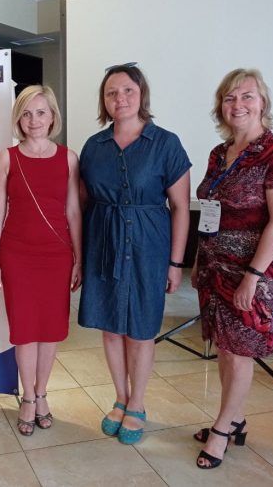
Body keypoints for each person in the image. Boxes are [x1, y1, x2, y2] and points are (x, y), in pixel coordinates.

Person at [192, 68, 273, 469]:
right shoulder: (219, 153)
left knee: (239, 352)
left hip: (251, 272)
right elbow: (210, 212)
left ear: (263, 103)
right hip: (214, 266)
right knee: (225, 349)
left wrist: (252, 278)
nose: (237, 104)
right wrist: (199, 261)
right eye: (229, 97)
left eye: (246, 96)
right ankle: (234, 420)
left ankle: (222, 430)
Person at [79, 63, 191, 445]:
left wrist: (175, 263)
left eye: (128, 90)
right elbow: (81, 204)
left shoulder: (166, 143)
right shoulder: (93, 147)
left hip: (149, 247)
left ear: (141, 94)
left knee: (141, 329)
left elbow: (180, 207)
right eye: (112, 92)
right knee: (111, 327)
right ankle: (120, 398)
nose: (120, 98)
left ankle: (138, 404)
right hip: (103, 244)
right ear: (104, 100)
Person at [0, 85, 82, 436]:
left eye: (41, 112)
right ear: (19, 119)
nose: (34, 120)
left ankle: (42, 393)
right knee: (25, 330)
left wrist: (79, 258)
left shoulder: (69, 158)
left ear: (53, 116)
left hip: (57, 255)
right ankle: (28, 397)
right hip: (16, 254)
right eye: (26, 113)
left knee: (51, 329)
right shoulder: (7, 158)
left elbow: (73, 211)